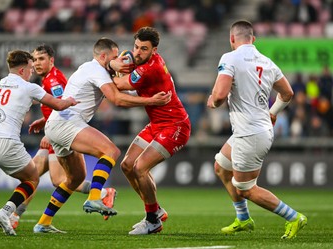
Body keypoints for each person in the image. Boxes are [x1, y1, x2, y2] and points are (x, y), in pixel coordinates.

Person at [30, 37, 171, 233]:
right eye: (115, 57)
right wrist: (151, 101)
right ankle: (95, 197)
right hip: (67, 124)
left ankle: (43, 223)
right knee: (111, 151)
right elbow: (117, 100)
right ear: (104, 56)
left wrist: (46, 121)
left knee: (75, 178)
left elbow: (120, 93)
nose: (119, 60)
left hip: (57, 123)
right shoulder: (96, 70)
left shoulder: (92, 69)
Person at [0, 45, 117, 231]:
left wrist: (48, 131)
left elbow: (62, 106)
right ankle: (14, 215)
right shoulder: (46, 79)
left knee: (53, 178)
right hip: (54, 130)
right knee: (38, 175)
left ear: (51, 61)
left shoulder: (54, 80)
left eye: (41, 59)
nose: (37, 63)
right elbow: (56, 106)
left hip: (58, 132)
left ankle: (102, 192)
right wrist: (43, 120)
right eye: (35, 60)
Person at [0, 50, 78, 236]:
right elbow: (58, 104)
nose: (32, 72)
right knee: (32, 179)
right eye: (31, 68)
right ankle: (6, 212)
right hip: (7, 142)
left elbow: (16, 103)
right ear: (23, 69)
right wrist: (72, 100)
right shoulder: (28, 87)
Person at [206, 20, 307, 239]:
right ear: (253, 39)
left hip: (249, 134)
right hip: (253, 130)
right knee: (221, 167)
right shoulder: (267, 62)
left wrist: (212, 101)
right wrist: (273, 112)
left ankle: (294, 217)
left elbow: (220, 96)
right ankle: (243, 219)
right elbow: (287, 93)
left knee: (245, 189)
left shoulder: (229, 58)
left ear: (232, 39)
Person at [112, 26, 191, 235]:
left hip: (176, 126)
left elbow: (119, 85)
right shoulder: (144, 63)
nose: (137, 52)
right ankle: (155, 211)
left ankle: (152, 220)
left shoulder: (150, 69)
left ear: (154, 50)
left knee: (140, 168)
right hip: (157, 124)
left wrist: (111, 66)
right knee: (127, 165)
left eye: (144, 49)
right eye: (136, 47)